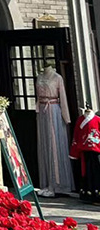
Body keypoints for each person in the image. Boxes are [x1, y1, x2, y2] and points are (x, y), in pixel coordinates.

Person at [35, 64, 74, 197]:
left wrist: (66, 117)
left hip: (53, 109)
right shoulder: (39, 77)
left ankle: (57, 184)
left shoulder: (57, 78)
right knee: (44, 144)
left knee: (54, 144)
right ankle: (46, 183)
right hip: (42, 110)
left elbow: (62, 96)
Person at [70, 105, 100, 204]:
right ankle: (88, 195)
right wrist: (74, 151)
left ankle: (96, 195)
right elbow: (76, 135)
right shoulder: (80, 120)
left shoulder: (97, 119)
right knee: (86, 173)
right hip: (84, 151)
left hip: (96, 150)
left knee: (96, 172)